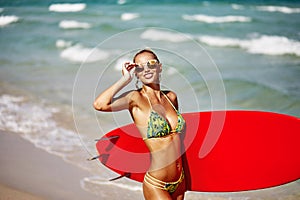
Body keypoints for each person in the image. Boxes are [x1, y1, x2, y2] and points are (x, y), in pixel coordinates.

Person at [93, 49, 187, 200]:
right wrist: (125, 79)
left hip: (180, 181)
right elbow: (100, 104)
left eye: (150, 64)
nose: (146, 69)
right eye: (140, 67)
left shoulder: (171, 97)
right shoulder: (135, 98)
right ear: (136, 72)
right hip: (157, 183)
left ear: (159, 67)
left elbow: (178, 141)